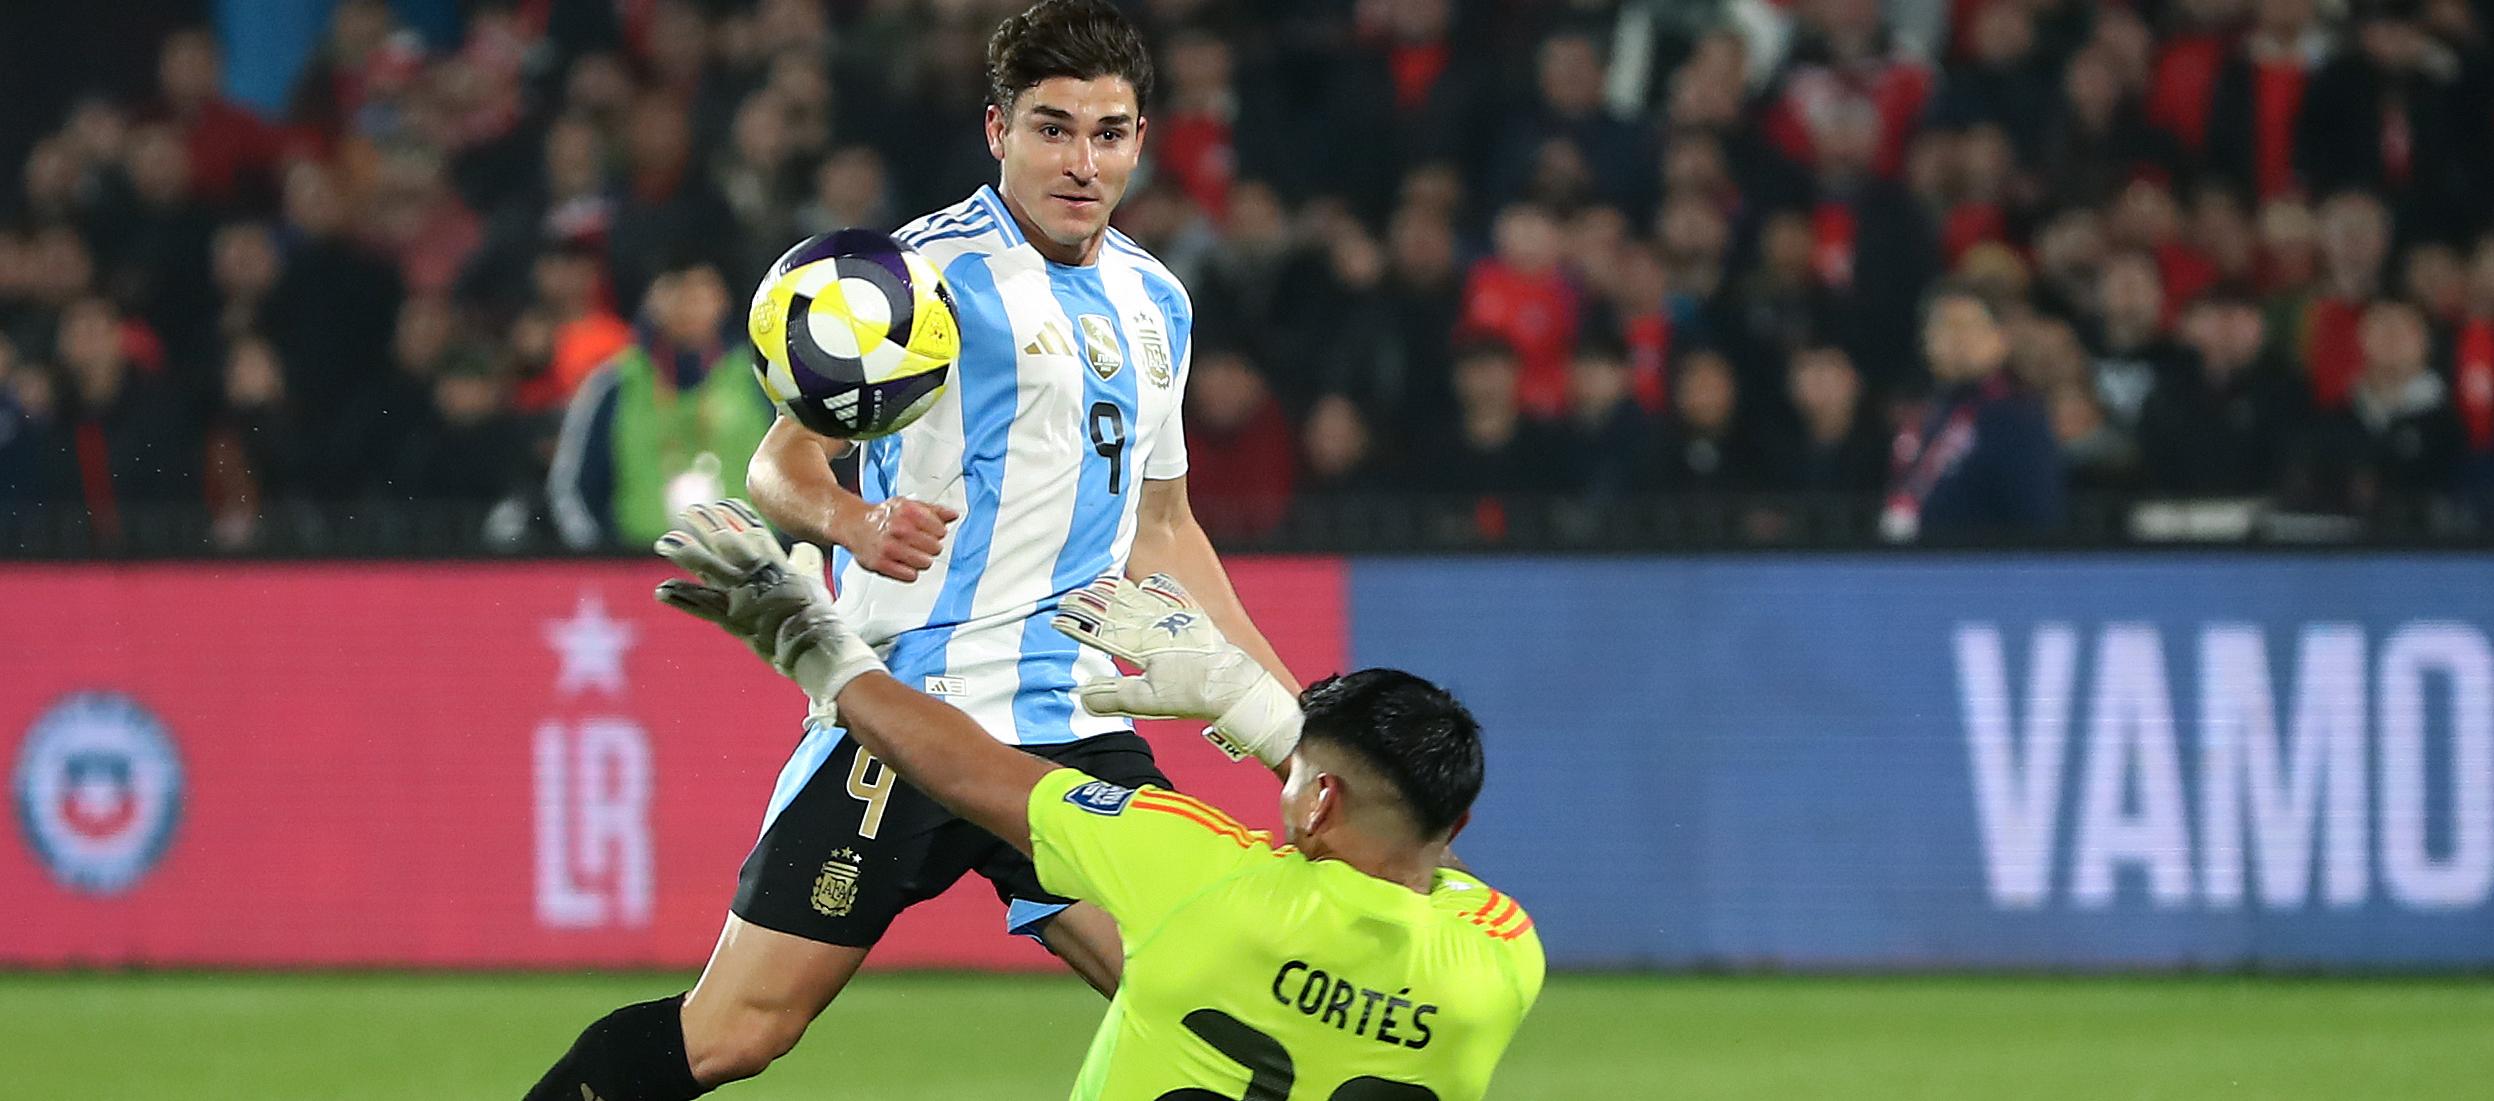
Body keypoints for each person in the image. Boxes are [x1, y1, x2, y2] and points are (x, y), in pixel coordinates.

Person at [525, 4, 1296, 1097]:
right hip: (909, 712)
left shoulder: (1156, 302)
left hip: (1070, 723)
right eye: (1053, 129)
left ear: (1141, 139)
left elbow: (1164, 527)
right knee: (735, 1034)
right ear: (998, 130)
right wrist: (853, 523)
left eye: (1109, 132)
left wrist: (1293, 719)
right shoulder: (914, 277)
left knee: (1220, 1012)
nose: (1082, 162)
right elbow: (780, 464)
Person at [647, 504, 1542, 1099]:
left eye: (1299, 774)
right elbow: (1419, 846)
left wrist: (807, 637)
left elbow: (968, 771)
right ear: (1457, 823)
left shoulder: (1198, 874)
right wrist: (1269, 722)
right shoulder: (1499, 963)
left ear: (1320, 801)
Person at [546, 248, 774, 550]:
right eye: (675, 290)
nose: (688, 305)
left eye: (700, 292)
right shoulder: (614, 385)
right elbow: (576, 489)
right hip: (638, 568)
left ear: (723, 300)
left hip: (754, 564)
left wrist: (787, 552)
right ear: (651, 300)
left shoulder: (761, 379)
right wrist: (603, 559)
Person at [1883, 283, 2065, 541]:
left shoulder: (2018, 417)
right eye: (1944, 327)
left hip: (1984, 563)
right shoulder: (1925, 413)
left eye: (1967, 326)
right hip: (1912, 560)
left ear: (2000, 338)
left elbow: (2037, 521)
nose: (1956, 340)